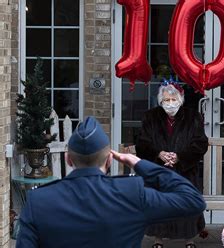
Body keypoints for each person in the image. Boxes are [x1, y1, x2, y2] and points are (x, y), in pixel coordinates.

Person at [16, 116, 206, 248]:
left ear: (68, 159)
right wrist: (140, 164)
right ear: (109, 160)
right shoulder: (131, 194)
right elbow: (192, 201)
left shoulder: (38, 201)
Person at [136, 79, 208, 248]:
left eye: (173, 99)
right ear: (161, 101)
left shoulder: (193, 117)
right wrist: (159, 154)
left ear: (180, 100)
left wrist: (179, 157)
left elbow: (200, 143)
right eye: (166, 100)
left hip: (185, 170)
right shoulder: (150, 116)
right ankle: (158, 240)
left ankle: (189, 240)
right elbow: (142, 142)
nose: (170, 103)